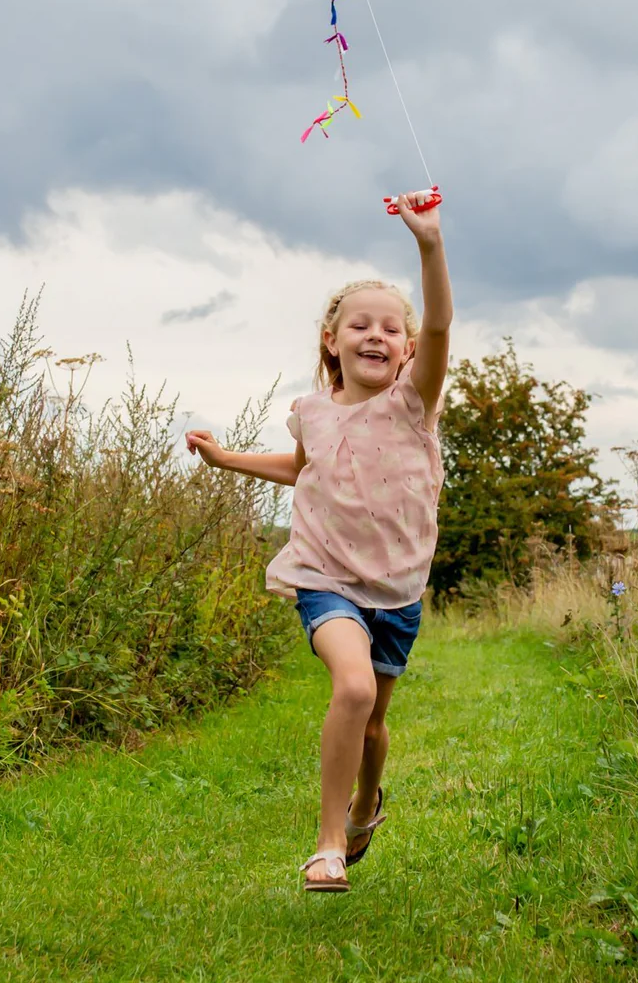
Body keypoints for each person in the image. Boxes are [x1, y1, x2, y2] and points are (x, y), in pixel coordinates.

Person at [185, 192, 452, 893]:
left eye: (391, 328)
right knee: (353, 687)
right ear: (331, 341)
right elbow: (303, 470)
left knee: (373, 725)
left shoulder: (413, 405)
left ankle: (366, 805)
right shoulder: (312, 413)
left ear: (409, 350)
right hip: (325, 575)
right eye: (359, 325)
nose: (376, 336)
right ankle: (329, 845)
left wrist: (429, 244)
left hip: (398, 587)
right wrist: (226, 459)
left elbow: (441, 323)